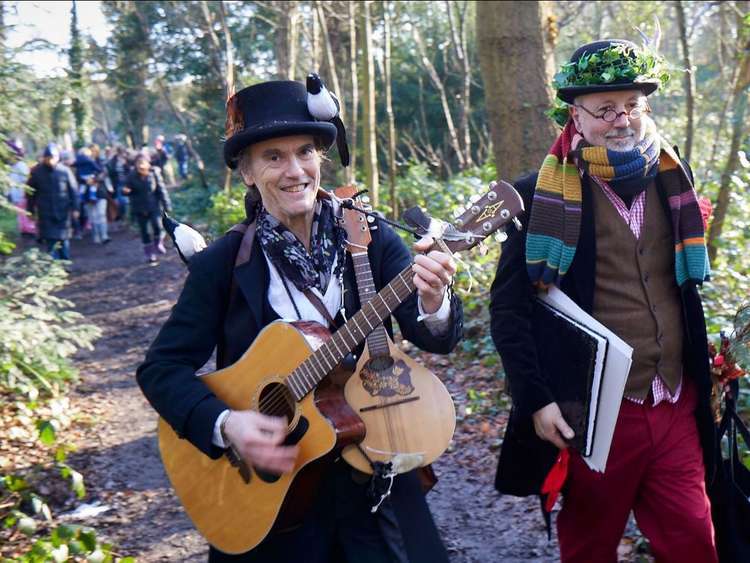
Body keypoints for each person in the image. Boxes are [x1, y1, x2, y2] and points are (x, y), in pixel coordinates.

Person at [136, 79, 464, 562]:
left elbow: (431, 335)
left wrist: (434, 297)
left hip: (375, 468)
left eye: (305, 151)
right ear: (247, 173)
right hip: (275, 495)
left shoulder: (369, 237)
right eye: (273, 157)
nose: (295, 171)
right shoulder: (224, 264)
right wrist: (228, 425)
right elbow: (161, 370)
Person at [490, 39, 717, 563]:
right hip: (597, 413)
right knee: (590, 548)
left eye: (633, 105)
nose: (622, 120)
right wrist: (536, 399)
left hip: (674, 400)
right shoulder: (538, 194)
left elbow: (683, 290)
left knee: (694, 542)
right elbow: (508, 310)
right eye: (606, 109)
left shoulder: (672, 178)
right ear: (576, 116)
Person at [27, 143, 78, 260]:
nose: (50, 161)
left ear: (57, 158)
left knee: (64, 239)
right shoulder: (36, 172)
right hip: (45, 212)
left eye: (53, 158)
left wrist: (75, 208)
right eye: (48, 158)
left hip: (63, 211)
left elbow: (73, 191)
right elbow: (30, 193)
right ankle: (55, 266)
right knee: (50, 241)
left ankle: (65, 262)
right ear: (44, 158)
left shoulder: (65, 171)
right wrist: (30, 210)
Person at [124, 155, 171, 263]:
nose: (141, 169)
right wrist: (125, 191)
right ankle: (149, 254)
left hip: (153, 206)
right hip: (139, 207)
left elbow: (161, 190)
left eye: (143, 167)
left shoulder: (154, 174)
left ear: (148, 166)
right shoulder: (131, 176)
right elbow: (126, 189)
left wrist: (166, 204)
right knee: (144, 231)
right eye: (139, 167)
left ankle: (158, 243)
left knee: (157, 226)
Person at [5, 140, 35, 237]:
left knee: (24, 213)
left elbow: (26, 180)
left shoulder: (21, 165)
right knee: (20, 214)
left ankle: (29, 230)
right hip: (16, 195)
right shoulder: (13, 167)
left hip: (22, 195)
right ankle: (24, 230)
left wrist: (25, 193)